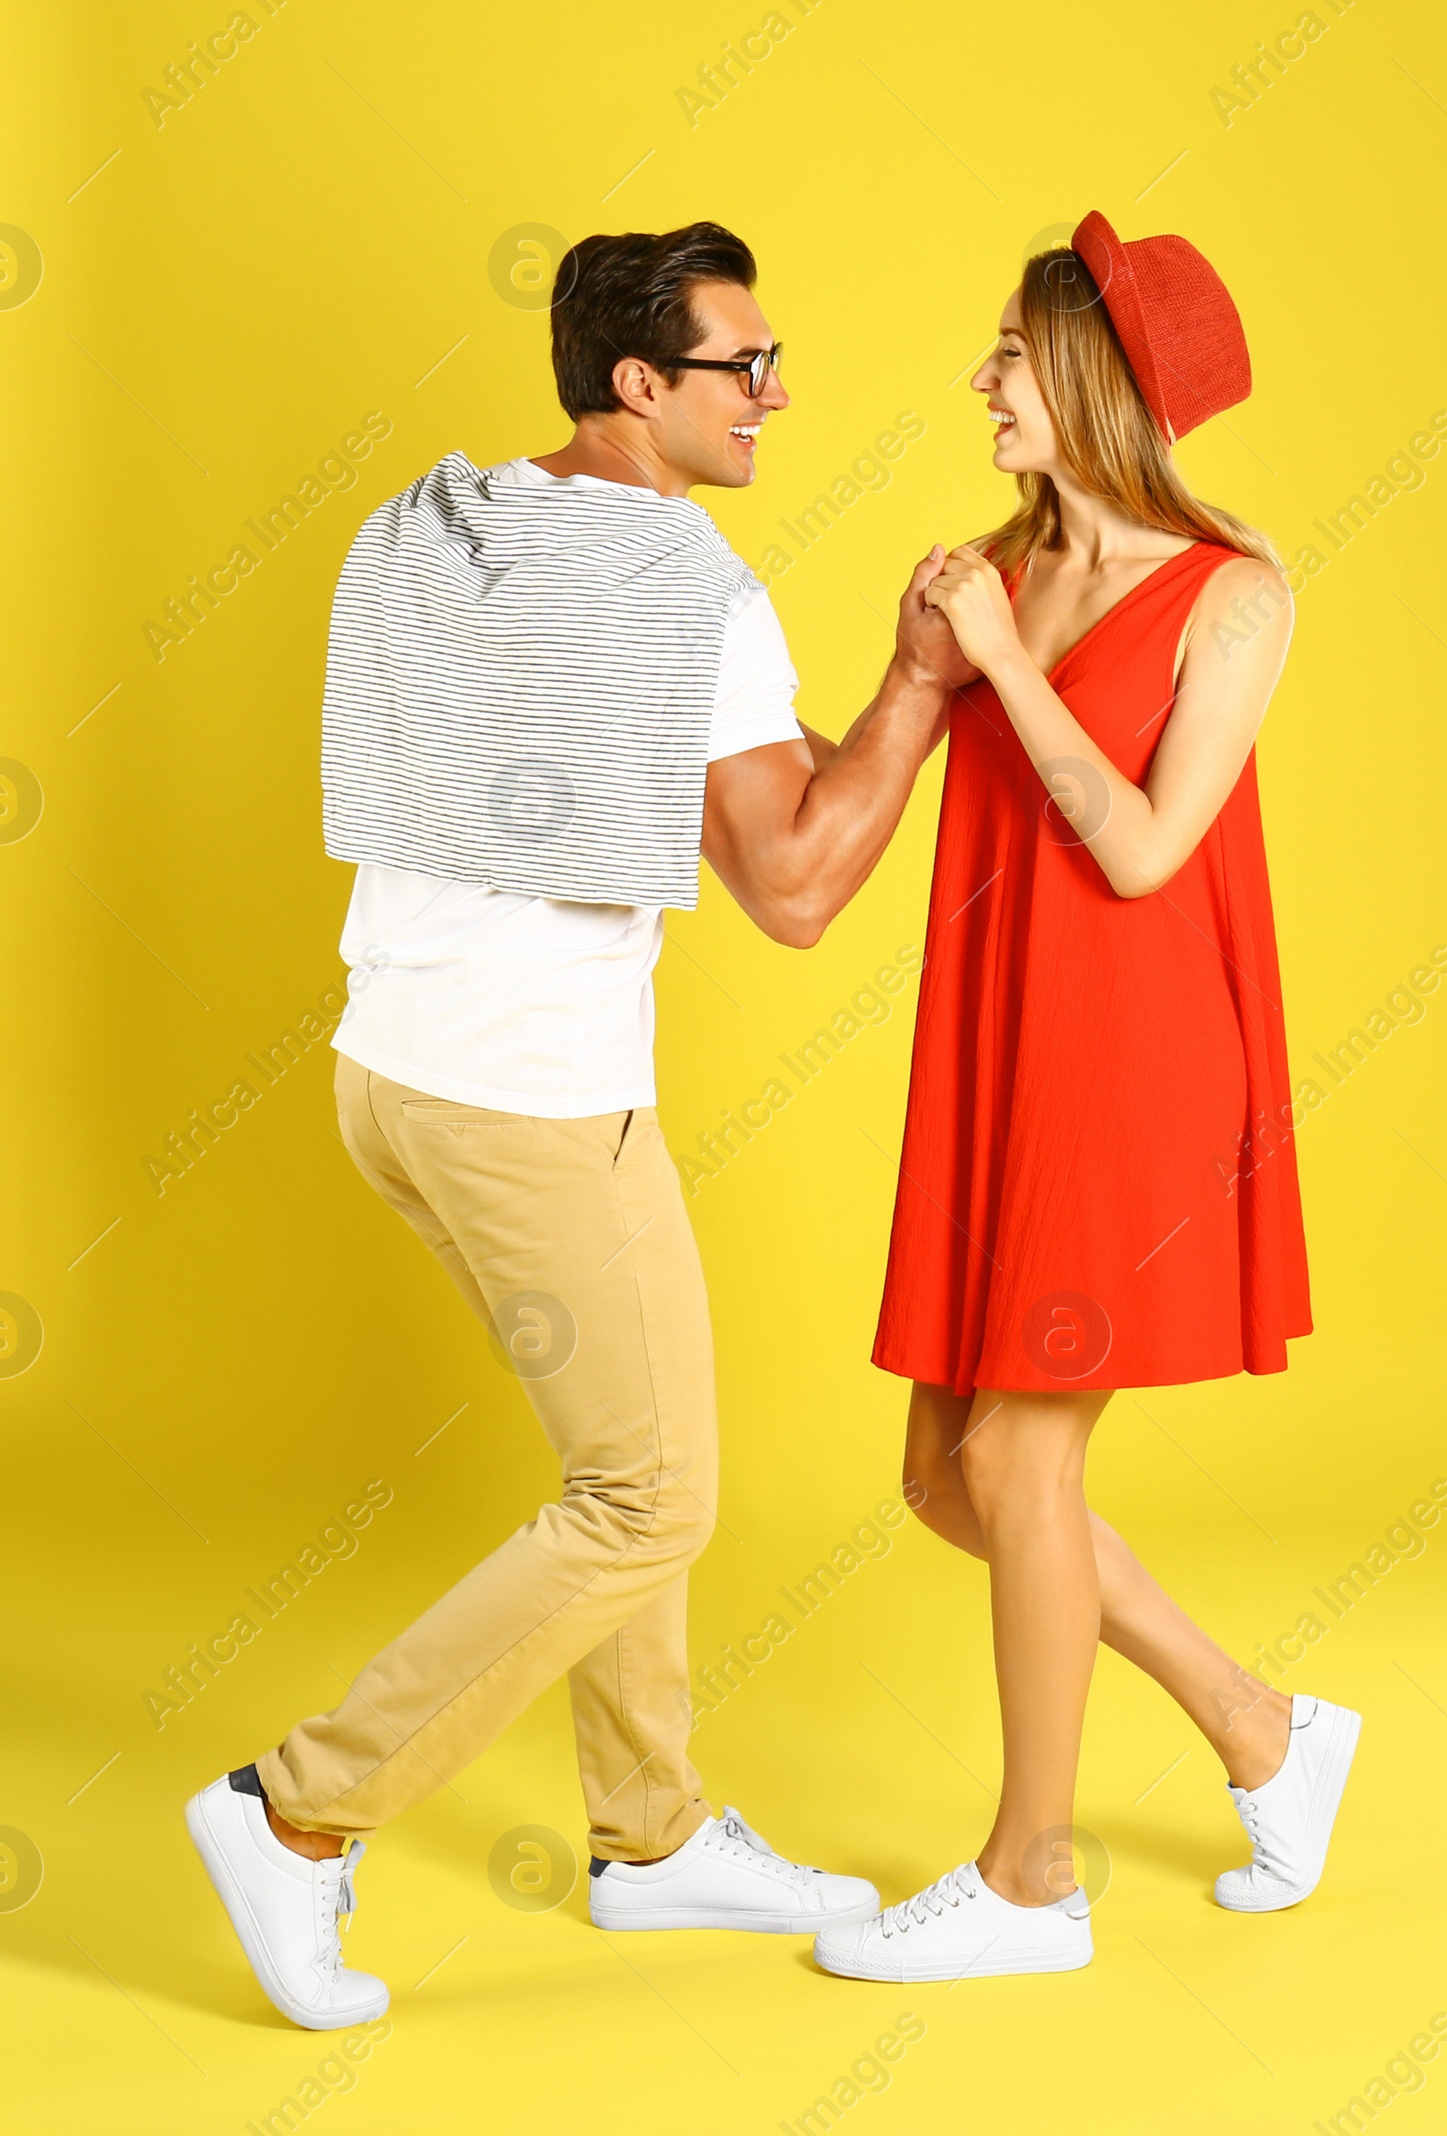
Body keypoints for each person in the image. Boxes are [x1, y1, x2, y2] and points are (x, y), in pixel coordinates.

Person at [184, 221, 967, 2030]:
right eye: (742, 367)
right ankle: (298, 1815)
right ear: (641, 385)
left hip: (389, 1071)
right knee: (656, 1490)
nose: (778, 395)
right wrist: (920, 682)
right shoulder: (686, 590)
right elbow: (791, 887)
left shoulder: (434, 520)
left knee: (629, 1454)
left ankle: (654, 1832)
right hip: (536, 1102)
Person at [814, 213, 1359, 1985]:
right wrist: (924, 656)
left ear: (1104, 386)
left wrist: (1006, 657)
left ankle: (1030, 1876)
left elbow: (1139, 852)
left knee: (1014, 1458)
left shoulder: (1238, 595)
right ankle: (1265, 1728)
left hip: (1135, 1063)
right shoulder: (995, 562)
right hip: (1000, 1042)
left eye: (1011, 353)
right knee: (946, 1479)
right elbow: (903, 769)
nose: (981, 378)